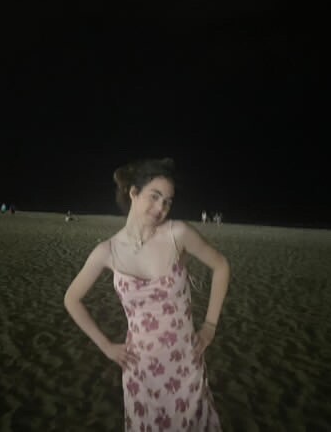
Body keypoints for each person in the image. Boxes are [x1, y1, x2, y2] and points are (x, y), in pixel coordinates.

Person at [64, 158, 229, 431]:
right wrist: (106, 346)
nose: (161, 207)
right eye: (155, 196)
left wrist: (210, 326)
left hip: (184, 362)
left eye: (167, 201)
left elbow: (221, 266)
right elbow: (71, 299)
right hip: (140, 367)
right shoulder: (107, 251)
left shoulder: (178, 234)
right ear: (133, 193)